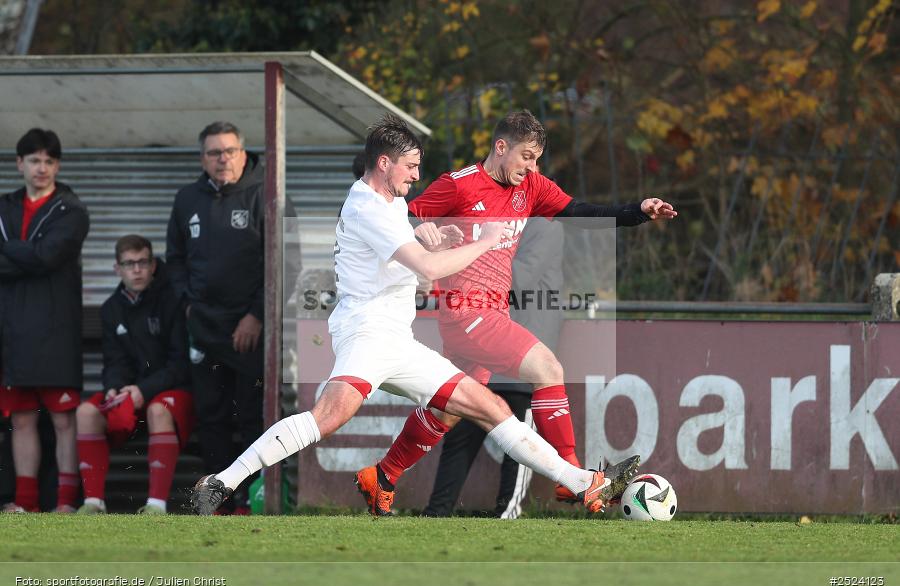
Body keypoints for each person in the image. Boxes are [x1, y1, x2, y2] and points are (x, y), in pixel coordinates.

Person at [191, 114, 634, 517]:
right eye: (411, 167)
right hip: (367, 334)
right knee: (329, 416)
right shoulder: (369, 207)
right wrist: (483, 241)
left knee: (489, 406)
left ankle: (581, 483)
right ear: (385, 164)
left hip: (397, 341)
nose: (418, 176)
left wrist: (431, 235)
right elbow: (427, 269)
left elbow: (413, 252)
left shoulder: (388, 202)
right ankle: (222, 482)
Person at [356, 109, 676, 515]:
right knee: (549, 369)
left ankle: (382, 475)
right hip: (466, 312)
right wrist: (421, 229)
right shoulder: (458, 185)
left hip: (494, 313)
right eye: (527, 156)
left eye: (537, 158)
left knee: (447, 409)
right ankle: (575, 478)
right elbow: (401, 213)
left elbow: (579, 211)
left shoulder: (532, 187)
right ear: (501, 147)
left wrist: (636, 212)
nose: (532, 166)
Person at [166, 121, 298, 514]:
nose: (222, 159)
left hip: (252, 332)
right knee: (212, 417)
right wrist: (188, 305)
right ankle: (216, 501)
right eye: (213, 153)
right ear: (202, 159)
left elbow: (288, 264)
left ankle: (249, 500)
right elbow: (174, 260)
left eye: (229, 151)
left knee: (251, 416)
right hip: (204, 329)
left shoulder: (268, 195)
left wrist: (256, 316)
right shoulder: (187, 198)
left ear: (243, 153)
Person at [423, 217, 563, 519]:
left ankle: (507, 515)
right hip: (482, 344)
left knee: (521, 441)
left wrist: (470, 255)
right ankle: (436, 513)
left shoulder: (545, 224)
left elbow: (520, 280)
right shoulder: (493, 217)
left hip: (522, 348)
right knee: (459, 431)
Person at [0, 128, 90, 513]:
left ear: (58, 165)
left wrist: (9, 253)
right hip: (11, 332)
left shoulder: (72, 210)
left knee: (63, 421)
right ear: (19, 163)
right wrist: (30, 255)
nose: (42, 168)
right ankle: (26, 503)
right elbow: (37, 257)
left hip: (56, 329)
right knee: (21, 419)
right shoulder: (4, 207)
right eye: (34, 160)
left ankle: (66, 504)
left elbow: (48, 257)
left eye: (49, 161)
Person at [75, 235, 193, 514]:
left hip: (174, 394)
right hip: (134, 395)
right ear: (117, 269)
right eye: (129, 264)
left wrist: (144, 390)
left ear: (153, 265)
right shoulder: (111, 309)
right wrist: (114, 389)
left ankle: (156, 505)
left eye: (142, 262)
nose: (137, 270)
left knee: (158, 409)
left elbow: (180, 364)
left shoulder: (172, 300)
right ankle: (93, 503)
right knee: (85, 413)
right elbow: (114, 361)